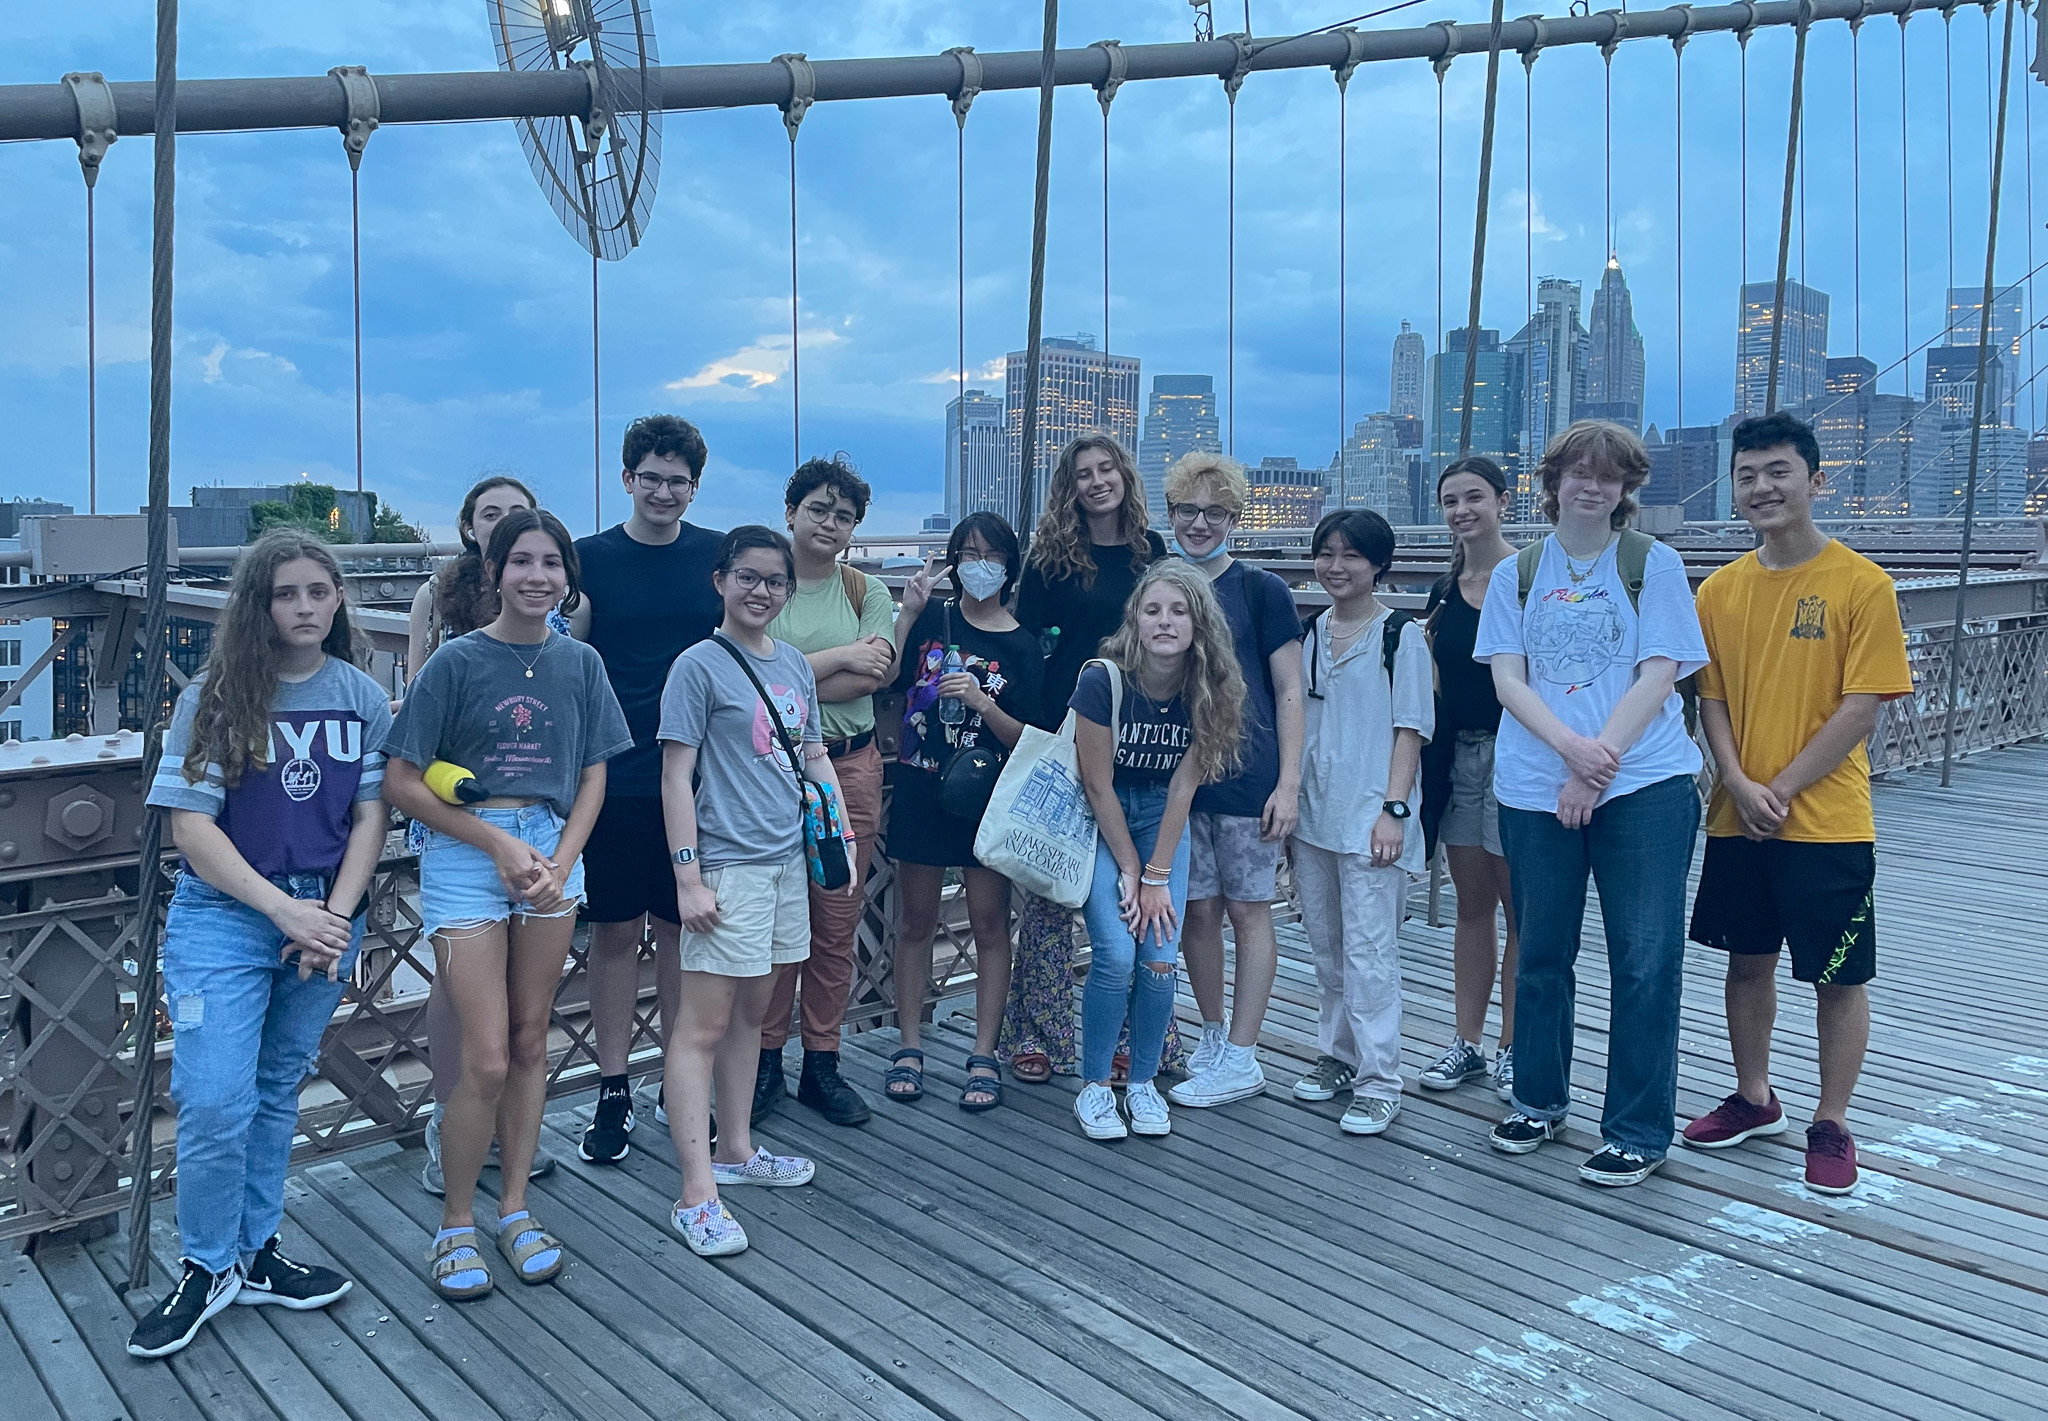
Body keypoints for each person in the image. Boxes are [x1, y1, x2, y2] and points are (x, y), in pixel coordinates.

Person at [128, 531, 391, 1358]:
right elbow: (189, 827)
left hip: (322, 914)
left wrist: (332, 917)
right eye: (287, 594)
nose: (306, 607)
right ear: (260, 606)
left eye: (319, 591)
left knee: (277, 1088)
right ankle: (204, 1265)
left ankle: (255, 1251)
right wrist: (287, 913)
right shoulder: (217, 694)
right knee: (213, 1098)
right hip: (230, 914)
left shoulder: (362, 695)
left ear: (338, 598)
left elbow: (369, 816)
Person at [384, 507, 632, 1298]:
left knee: (532, 1041)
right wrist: (496, 844)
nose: (537, 576)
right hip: (471, 849)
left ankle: (515, 1208)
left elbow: (594, 771)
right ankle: (456, 1221)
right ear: (493, 572)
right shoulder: (454, 663)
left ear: (568, 577)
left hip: (552, 848)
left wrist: (561, 858)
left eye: (552, 563)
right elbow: (400, 779)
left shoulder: (580, 665)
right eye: (520, 561)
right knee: (485, 1054)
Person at [1680, 411, 1912, 1195]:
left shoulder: (1861, 583)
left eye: (1778, 471)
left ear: (1816, 481)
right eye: (1746, 475)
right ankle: (1754, 1096)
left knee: (1838, 975)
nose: (1761, 487)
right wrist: (1738, 783)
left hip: (1826, 818)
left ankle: (1833, 1120)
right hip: (1736, 813)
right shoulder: (1719, 590)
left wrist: (1777, 788)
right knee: (1748, 964)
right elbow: (1711, 700)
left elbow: (1862, 705)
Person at [1474, 420, 1709, 1188]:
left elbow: (1659, 673)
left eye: (1610, 475)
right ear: (1554, 480)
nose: (1593, 485)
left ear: (1626, 488)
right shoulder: (1519, 572)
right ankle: (1538, 1100)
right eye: (1579, 470)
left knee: (1645, 959)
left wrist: (1595, 762)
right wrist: (1572, 755)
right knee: (1541, 951)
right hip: (1537, 785)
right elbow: (1508, 679)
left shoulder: (1653, 563)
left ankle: (1637, 1128)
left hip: (1642, 785)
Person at [657, 526, 849, 1256]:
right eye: (747, 576)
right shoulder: (698, 666)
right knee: (700, 1026)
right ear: (720, 580)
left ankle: (737, 1149)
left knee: (753, 1015)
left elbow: (813, 754)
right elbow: (677, 774)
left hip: (784, 863)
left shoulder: (796, 665)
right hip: (727, 865)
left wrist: (841, 839)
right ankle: (694, 1188)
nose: (760, 591)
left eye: (774, 580)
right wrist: (687, 875)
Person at [568, 414, 724, 1164]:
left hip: (700, 775)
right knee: (615, 933)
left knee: (679, 929)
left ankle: (676, 1078)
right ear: (627, 478)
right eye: (651, 476)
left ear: (694, 488)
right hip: (618, 769)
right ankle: (612, 1084)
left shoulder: (719, 557)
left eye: (679, 480)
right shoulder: (589, 559)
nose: (664, 491)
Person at [405, 473, 563, 1195]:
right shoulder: (436, 606)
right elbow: (412, 712)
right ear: (473, 530)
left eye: (519, 517)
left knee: (525, 1016)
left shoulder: (558, 622)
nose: (507, 527)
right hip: (461, 812)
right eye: (492, 517)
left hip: (539, 822)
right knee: (462, 990)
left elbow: (570, 726)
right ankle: (455, 1122)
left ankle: (508, 1144)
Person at [1007, 433, 1175, 1082]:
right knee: (1051, 892)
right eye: (1084, 473)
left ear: (1125, 476)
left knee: (1131, 895)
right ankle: (1041, 1035)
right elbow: (1028, 642)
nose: (1098, 480)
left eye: (1108, 468)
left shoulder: (1151, 553)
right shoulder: (1051, 554)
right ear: (1069, 486)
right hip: (1064, 726)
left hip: (1137, 731)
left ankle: (1143, 1040)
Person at [1070, 561, 1245, 1141]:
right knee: (1118, 955)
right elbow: (1096, 783)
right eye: (1153, 610)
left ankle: (1142, 1082)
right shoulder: (1103, 679)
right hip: (1105, 818)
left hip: (1164, 820)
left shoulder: (1211, 686)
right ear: (1135, 619)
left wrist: (1156, 874)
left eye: (1179, 611)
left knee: (1160, 956)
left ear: (1199, 623)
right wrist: (1129, 869)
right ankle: (1095, 1086)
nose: (1165, 622)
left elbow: (1183, 786)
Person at [1154, 453, 1304, 1111]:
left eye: (1214, 511)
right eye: (1187, 510)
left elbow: (1290, 688)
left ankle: (1244, 1053)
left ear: (1235, 518)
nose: (1199, 522)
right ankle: (1213, 1036)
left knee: (1248, 908)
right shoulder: (1161, 587)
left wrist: (1290, 781)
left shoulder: (1261, 590)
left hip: (1248, 774)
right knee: (1198, 910)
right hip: (1177, 777)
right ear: (1171, 515)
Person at [884, 512, 1044, 1110]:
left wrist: (980, 700)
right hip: (923, 788)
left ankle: (984, 1051)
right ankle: (908, 1044)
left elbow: (1027, 737)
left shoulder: (1024, 645)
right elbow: (889, 677)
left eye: (992, 556)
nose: (981, 565)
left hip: (988, 798)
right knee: (915, 922)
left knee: (988, 923)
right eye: (968, 554)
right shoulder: (932, 619)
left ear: (1009, 565)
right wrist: (906, 611)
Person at [757, 456, 896, 1127]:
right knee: (777, 920)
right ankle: (761, 1064)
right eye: (818, 508)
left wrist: (798, 675)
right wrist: (840, 658)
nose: (830, 522)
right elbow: (749, 681)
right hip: (767, 772)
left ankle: (822, 1062)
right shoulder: (763, 582)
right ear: (790, 511)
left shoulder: (864, 589)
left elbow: (871, 676)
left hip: (850, 768)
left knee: (836, 920)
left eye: (844, 515)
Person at [1288, 510, 1434, 1136]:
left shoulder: (1401, 636)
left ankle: (1381, 1079)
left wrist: (1394, 811)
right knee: (1328, 947)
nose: (1336, 566)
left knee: (1371, 952)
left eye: (1351, 555)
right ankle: (1339, 1056)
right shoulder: (1310, 631)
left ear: (1379, 565)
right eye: (1326, 553)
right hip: (1315, 816)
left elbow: (1412, 728)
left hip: (1373, 817)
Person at [1417, 456, 1522, 1102]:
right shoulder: (1442, 591)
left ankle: (1515, 1045)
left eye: (1474, 497)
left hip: (1521, 759)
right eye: (1451, 500)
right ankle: (1468, 1041)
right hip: (1461, 758)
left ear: (1503, 501)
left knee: (1523, 912)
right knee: (1471, 905)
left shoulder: (1529, 579)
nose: (1462, 510)